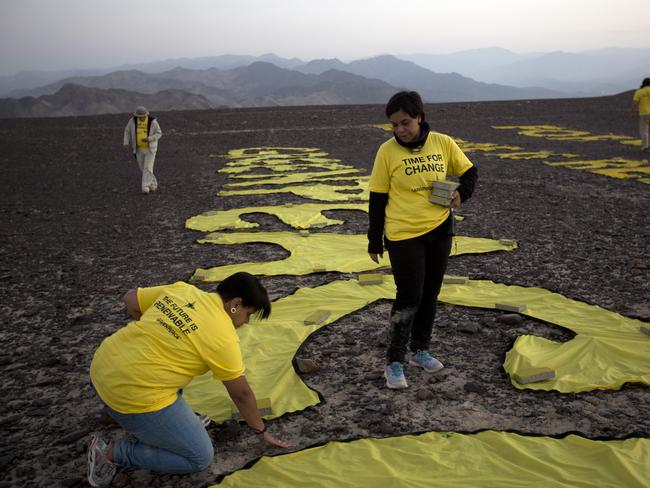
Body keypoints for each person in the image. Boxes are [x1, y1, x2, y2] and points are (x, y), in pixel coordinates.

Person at [86, 272, 290, 487]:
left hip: (101, 367)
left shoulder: (184, 290)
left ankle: (155, 421)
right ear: (235, 304)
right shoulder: (223, 338)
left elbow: (129, 298)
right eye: (248, 314)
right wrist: (261, 430)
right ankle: (111, 452)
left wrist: (161, 332)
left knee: (174, 366)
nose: (246, 322)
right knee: (199, 457)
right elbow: (242, 394)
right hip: (133, 395)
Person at [367, 91, 477, 390]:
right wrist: (374, 239)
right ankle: (394, 362)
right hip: (403, 234)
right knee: (408, 296)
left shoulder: (442, 143)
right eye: (394, 125)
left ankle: (420, 350)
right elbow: (377, 198)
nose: (400, 130)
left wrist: (460, 194)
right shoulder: (387, 152)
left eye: (405, 122)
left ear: (420, 117)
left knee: (430, 293)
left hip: (439, 229)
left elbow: (469, 172)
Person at [123, 106, 162, 194]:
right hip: (138, 149)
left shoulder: (153, 122)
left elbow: (159, 133)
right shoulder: (132, 121)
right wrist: (126, 142)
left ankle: (145, 188)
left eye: (143, 116)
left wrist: (150, 138)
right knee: (143, 168)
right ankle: (153, 184)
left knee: (147, 167)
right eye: (140, 116)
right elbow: (127, 131)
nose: (142, 117)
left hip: (150, 149)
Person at [633, 78, 650, 152]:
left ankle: (645, 146)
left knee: (644, 130)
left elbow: (635, 103)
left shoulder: (639, 92)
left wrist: (633, 112)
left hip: (644, 113)